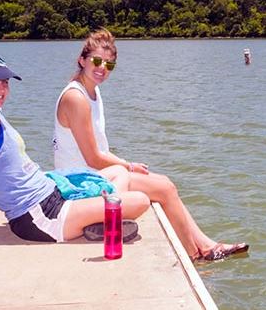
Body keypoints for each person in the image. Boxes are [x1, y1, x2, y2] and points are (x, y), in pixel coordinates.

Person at [0, 52, 151, 264]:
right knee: (140, 200)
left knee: (119, 172)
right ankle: (98, 221)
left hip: (50, 192)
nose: (1, 88)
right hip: (39, 216)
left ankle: (97, 221)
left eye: (5, 82)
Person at [53, 29, 248, 262]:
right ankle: (195, 255)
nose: (102, 68)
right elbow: (93, 157)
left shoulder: (92, 92)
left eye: (109, 65)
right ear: (82, 60)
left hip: (94, 173)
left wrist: (128, 166)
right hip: (80, 183)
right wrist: (129, 165)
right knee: (165, 189)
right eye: (96, 61)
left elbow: (99, 152)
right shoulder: (76, 98)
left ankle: (205, 245)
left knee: (165, 183)